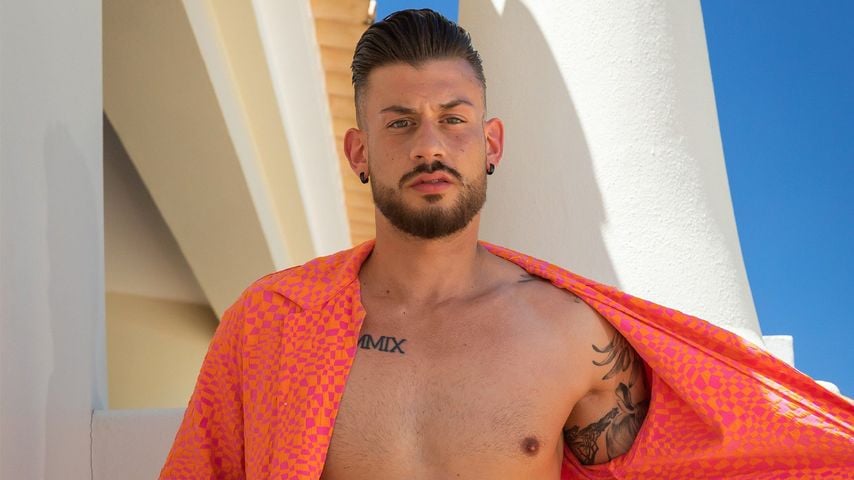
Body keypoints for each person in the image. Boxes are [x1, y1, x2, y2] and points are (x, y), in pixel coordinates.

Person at [160, 9, 853, 480]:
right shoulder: (272, 323)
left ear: (490, 144)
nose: (429, 145)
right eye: (399, 123)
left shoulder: (569, 334)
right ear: (359, 152)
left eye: (453, 119)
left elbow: (707, 459)